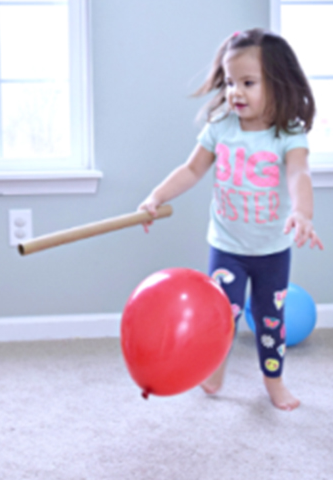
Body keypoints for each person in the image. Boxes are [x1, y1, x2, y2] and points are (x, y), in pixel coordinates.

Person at [138, 28, 323, 411]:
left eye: (248, 82)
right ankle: (215, 370)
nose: (235, 91)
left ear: (278, 84)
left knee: (270, 320)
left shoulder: (288, 133)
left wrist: (302, 212)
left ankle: (274, 382)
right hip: (227, 246)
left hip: (272, 249)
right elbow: (191, 170)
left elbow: (298, 175)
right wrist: (156, 196)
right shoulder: (221, 126)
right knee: (222, 315)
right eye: (230, 82)